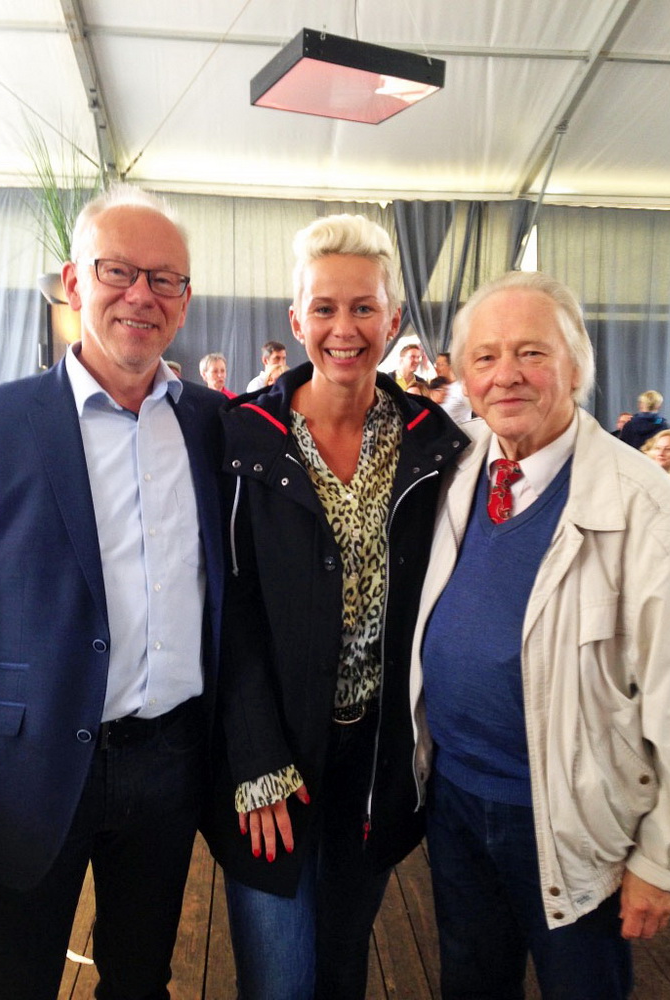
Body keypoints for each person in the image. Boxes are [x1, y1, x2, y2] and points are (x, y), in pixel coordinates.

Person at [0, 184, 227, 1000]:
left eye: (165, 278)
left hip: (170, 760)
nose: (141, 294)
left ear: (184, 300)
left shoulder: (216, 426)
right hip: (27, 770)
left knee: (141, 974)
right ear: (75, 282)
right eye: (119, 271)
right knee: (14, 977)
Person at [410, 270, 670, 1000]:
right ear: (465, 378)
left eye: (532, 353)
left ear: (575, 367)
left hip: (576, 820)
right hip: (454, 800)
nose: (505, 375)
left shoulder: (645, 508)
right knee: (472, 984)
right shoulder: (456, 472)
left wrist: (666, 859)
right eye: (484, 357)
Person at [206, 213, 468, 1000]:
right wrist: (255, 757)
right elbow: (228, 603)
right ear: (296, 320)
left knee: (343, 967)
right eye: (324, 309)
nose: (344, 328)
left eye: (364, 309)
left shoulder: (435, 443)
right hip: (269, 758)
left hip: (375, 763)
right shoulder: (244, 438)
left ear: (394, 320)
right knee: (280, 978)